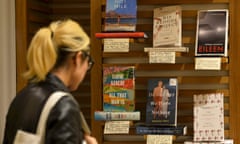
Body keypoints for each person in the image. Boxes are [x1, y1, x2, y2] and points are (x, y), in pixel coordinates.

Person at [3, 19, 98, 144]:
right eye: (88, 62)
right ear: (77, 58)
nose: (87, 68)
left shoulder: (21, 98)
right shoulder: (64, 105)